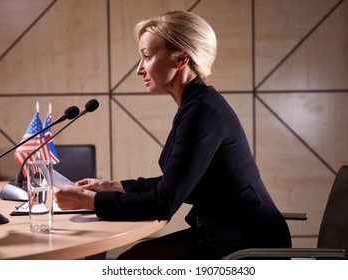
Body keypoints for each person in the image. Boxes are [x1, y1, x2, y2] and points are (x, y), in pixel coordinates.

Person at [54, 10, 291, 259]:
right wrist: (110, 186)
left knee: (130, 263)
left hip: (245, 247)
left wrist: (88, 201)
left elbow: (164, 203)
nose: (139, 70)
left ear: (180, 60)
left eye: (146, 57)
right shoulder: (196, 105)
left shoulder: (202, 112)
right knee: (132, 259)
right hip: (221, 234)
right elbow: (176, 182)